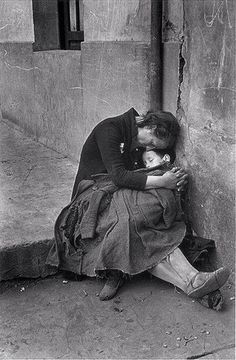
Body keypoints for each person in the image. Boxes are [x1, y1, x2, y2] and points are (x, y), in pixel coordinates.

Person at [46, 108, 229, 304]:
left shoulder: (137, 136)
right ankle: (192, 280)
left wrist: (175, 179)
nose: (148, 147)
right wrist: (162, 182)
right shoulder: (109, 130)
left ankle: (192, 282)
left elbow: (144, 171)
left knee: (143, 221)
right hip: (93, 197)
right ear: (149, 126)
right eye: (150, 142)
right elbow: (119, 176)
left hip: (120, 193)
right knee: (137, 221)